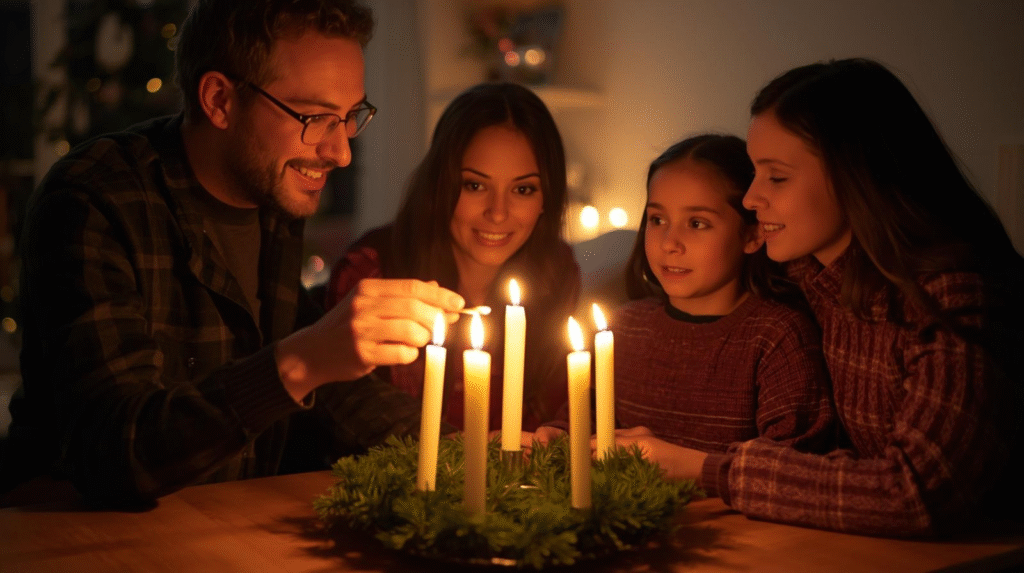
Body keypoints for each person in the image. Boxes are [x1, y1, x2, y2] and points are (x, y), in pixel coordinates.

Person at [4, 0, 465, 509]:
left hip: (216, 526)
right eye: (314, 117)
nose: (340, 152)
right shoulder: (94, 199)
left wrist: (463, 454)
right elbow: (118, 451)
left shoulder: (270, 196)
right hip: (70, 534)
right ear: (219, 99)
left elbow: (336, 395)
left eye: (350, 116)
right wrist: (302, 361)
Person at [660, 58, 1024, 537]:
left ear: (856, 175)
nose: (751, 198)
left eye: (777, 177)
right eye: (754, 172)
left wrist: (706, 469)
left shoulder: (954, 295)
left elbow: (915, 492)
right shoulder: (810, 276)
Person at [535, 134, 835, 464]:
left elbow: (790, 467)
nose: (669, 242)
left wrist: (687, 464)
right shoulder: (625, 328)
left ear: (752, 234)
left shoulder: (777, 338)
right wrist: (560, 434)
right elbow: (586, 418)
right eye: (657, 220)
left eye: (696, 223)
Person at [325, 82, 580, 432]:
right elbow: (350, 407)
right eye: (475, 185)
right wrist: (462, 451)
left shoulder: (556, 272)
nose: (498, 213)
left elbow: (563, 400)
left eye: (523, 189)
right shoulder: (374, 272)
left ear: (545, 199)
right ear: (440, 184)